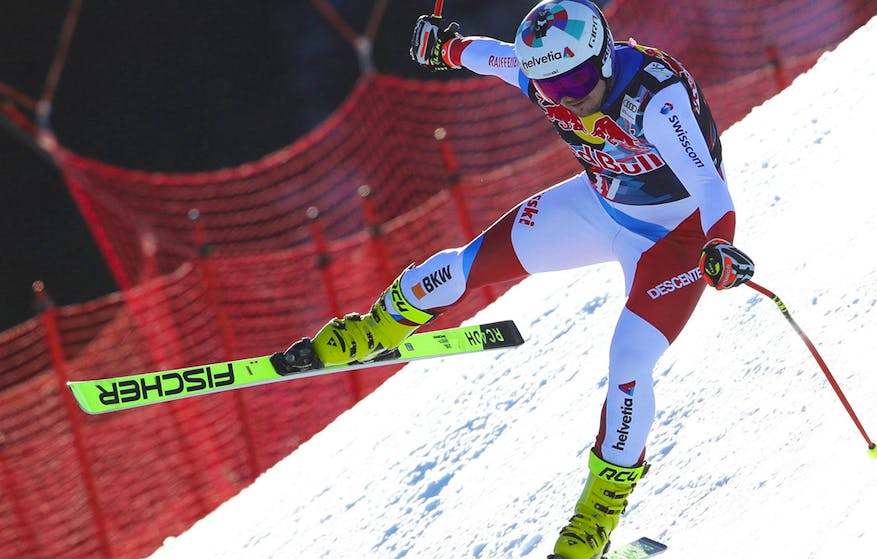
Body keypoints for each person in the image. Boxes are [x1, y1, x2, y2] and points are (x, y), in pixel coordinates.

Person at [274, 1, 755, 557]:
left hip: (677, 239)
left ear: (602, 55)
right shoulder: (545, 75)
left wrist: (720, 245)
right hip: (599, 207)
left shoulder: (655, 97)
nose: (568, 95)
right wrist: (445, 49)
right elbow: (493, 56)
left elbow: (711, 187)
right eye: (552, 85)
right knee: (465, 264)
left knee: (628, 362)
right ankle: (377, 330)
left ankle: (598, 512)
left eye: (576, 77)